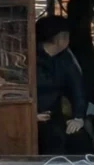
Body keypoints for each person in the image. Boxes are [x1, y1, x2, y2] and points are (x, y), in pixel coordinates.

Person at [35, 15, 89, 154]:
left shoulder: (66, 57)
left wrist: (78, 117)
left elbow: (78, 88)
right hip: (29, 117)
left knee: (80, 138)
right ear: (60, 38)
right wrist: (31, 115)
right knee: (53, 139)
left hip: (55, 115)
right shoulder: (28, 56)